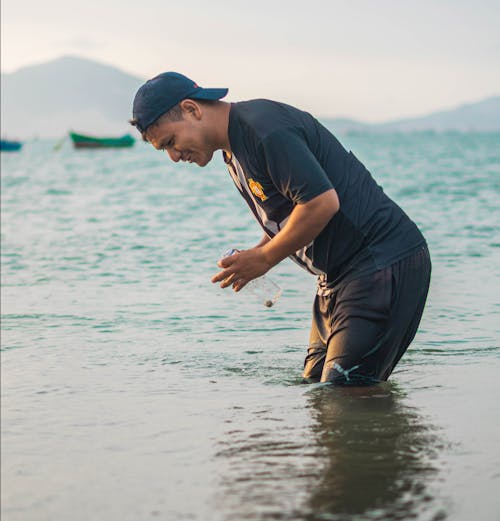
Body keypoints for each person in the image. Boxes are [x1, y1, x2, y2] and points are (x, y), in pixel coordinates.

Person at [130, 71, 431, 386]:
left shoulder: (264, 129)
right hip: (337, 278)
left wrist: (265, 259)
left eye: (171, 142)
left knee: (344, 395)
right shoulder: (234, 150)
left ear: (192, 109)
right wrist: (258, 251)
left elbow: (321, 203)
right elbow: (288, 214)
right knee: (317, 389)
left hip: (380, 263)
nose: (174, 157)